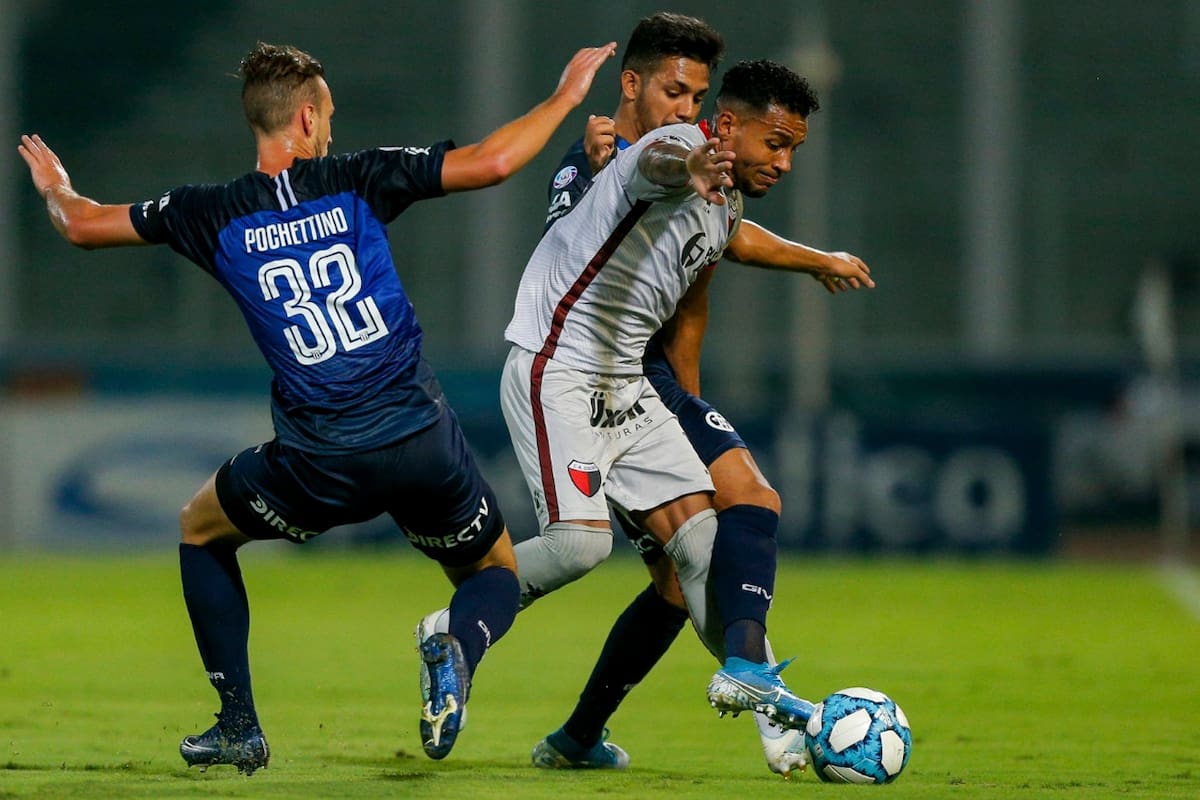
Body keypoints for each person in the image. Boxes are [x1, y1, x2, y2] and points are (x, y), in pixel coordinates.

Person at [19, 39, 616, 773]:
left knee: (201, 528)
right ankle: (457, 649)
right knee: (492, 573)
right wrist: (563, 95)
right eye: (327, 112)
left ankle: (238, 721)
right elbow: (492, 162)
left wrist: (55, 185)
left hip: (320, 461)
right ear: (304, 118)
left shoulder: (206, 213)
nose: (332, 125)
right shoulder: (356, 179)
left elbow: (80, 224)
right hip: (420, 438)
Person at [503, 56, 872, 769]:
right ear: (635, 84)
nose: (787, 163)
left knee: (676, 583)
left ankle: (579, 737)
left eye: (697, 92)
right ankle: (761, 695)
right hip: (607, 377)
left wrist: (816, 258)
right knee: (750, 500)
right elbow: (669, 178)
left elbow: (727, 246)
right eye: (780, 144)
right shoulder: (656, 160)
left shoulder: (717, 190)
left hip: (652, 381)